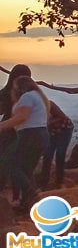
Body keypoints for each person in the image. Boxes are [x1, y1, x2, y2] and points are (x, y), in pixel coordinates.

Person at [0, 75, 50, 211]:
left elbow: (22, 117)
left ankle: (31, 194)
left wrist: (2, 126)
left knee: (12, 165)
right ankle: (28, 203)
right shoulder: (37, 96)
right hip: (39, 135)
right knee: (26, 169)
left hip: (30, 136)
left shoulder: (27, 97)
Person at [0, 64, 31, 193]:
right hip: (19, 130)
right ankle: (20, 194)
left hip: (9, 129)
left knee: (7, 161)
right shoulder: (29, 94)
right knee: (15, 163)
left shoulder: (7, 92)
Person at [39, 101, 74, 189]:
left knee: (60, 154)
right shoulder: (29, 109)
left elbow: (61, 116)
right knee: (47, 155)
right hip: (51, 132)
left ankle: (59, 182)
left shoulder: (48, 104)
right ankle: (43, 184)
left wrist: (47, 123)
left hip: (64, 129)